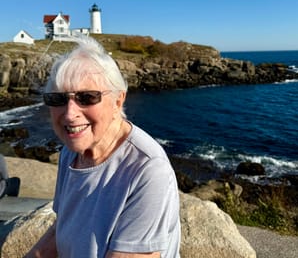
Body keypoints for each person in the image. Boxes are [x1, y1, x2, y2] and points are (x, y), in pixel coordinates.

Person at [25, 36, 181, 258]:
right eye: (58, 98)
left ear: (118, 101)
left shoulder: (147, 170)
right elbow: (62, 229)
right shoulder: (70, 152)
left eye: (87, 97)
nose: (70, 114)